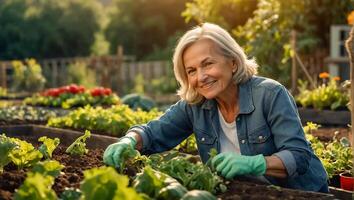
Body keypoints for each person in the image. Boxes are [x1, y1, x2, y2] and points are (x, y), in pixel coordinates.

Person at [103, 22, 328, 192]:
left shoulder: (270, 95)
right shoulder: (196, 105)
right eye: (191, 70)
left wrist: (255, 164)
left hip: (301, 193)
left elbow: (299, 156)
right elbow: (153, 132)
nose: (201, 77)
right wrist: (129, 139)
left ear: (232, 62)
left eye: (208, 64)